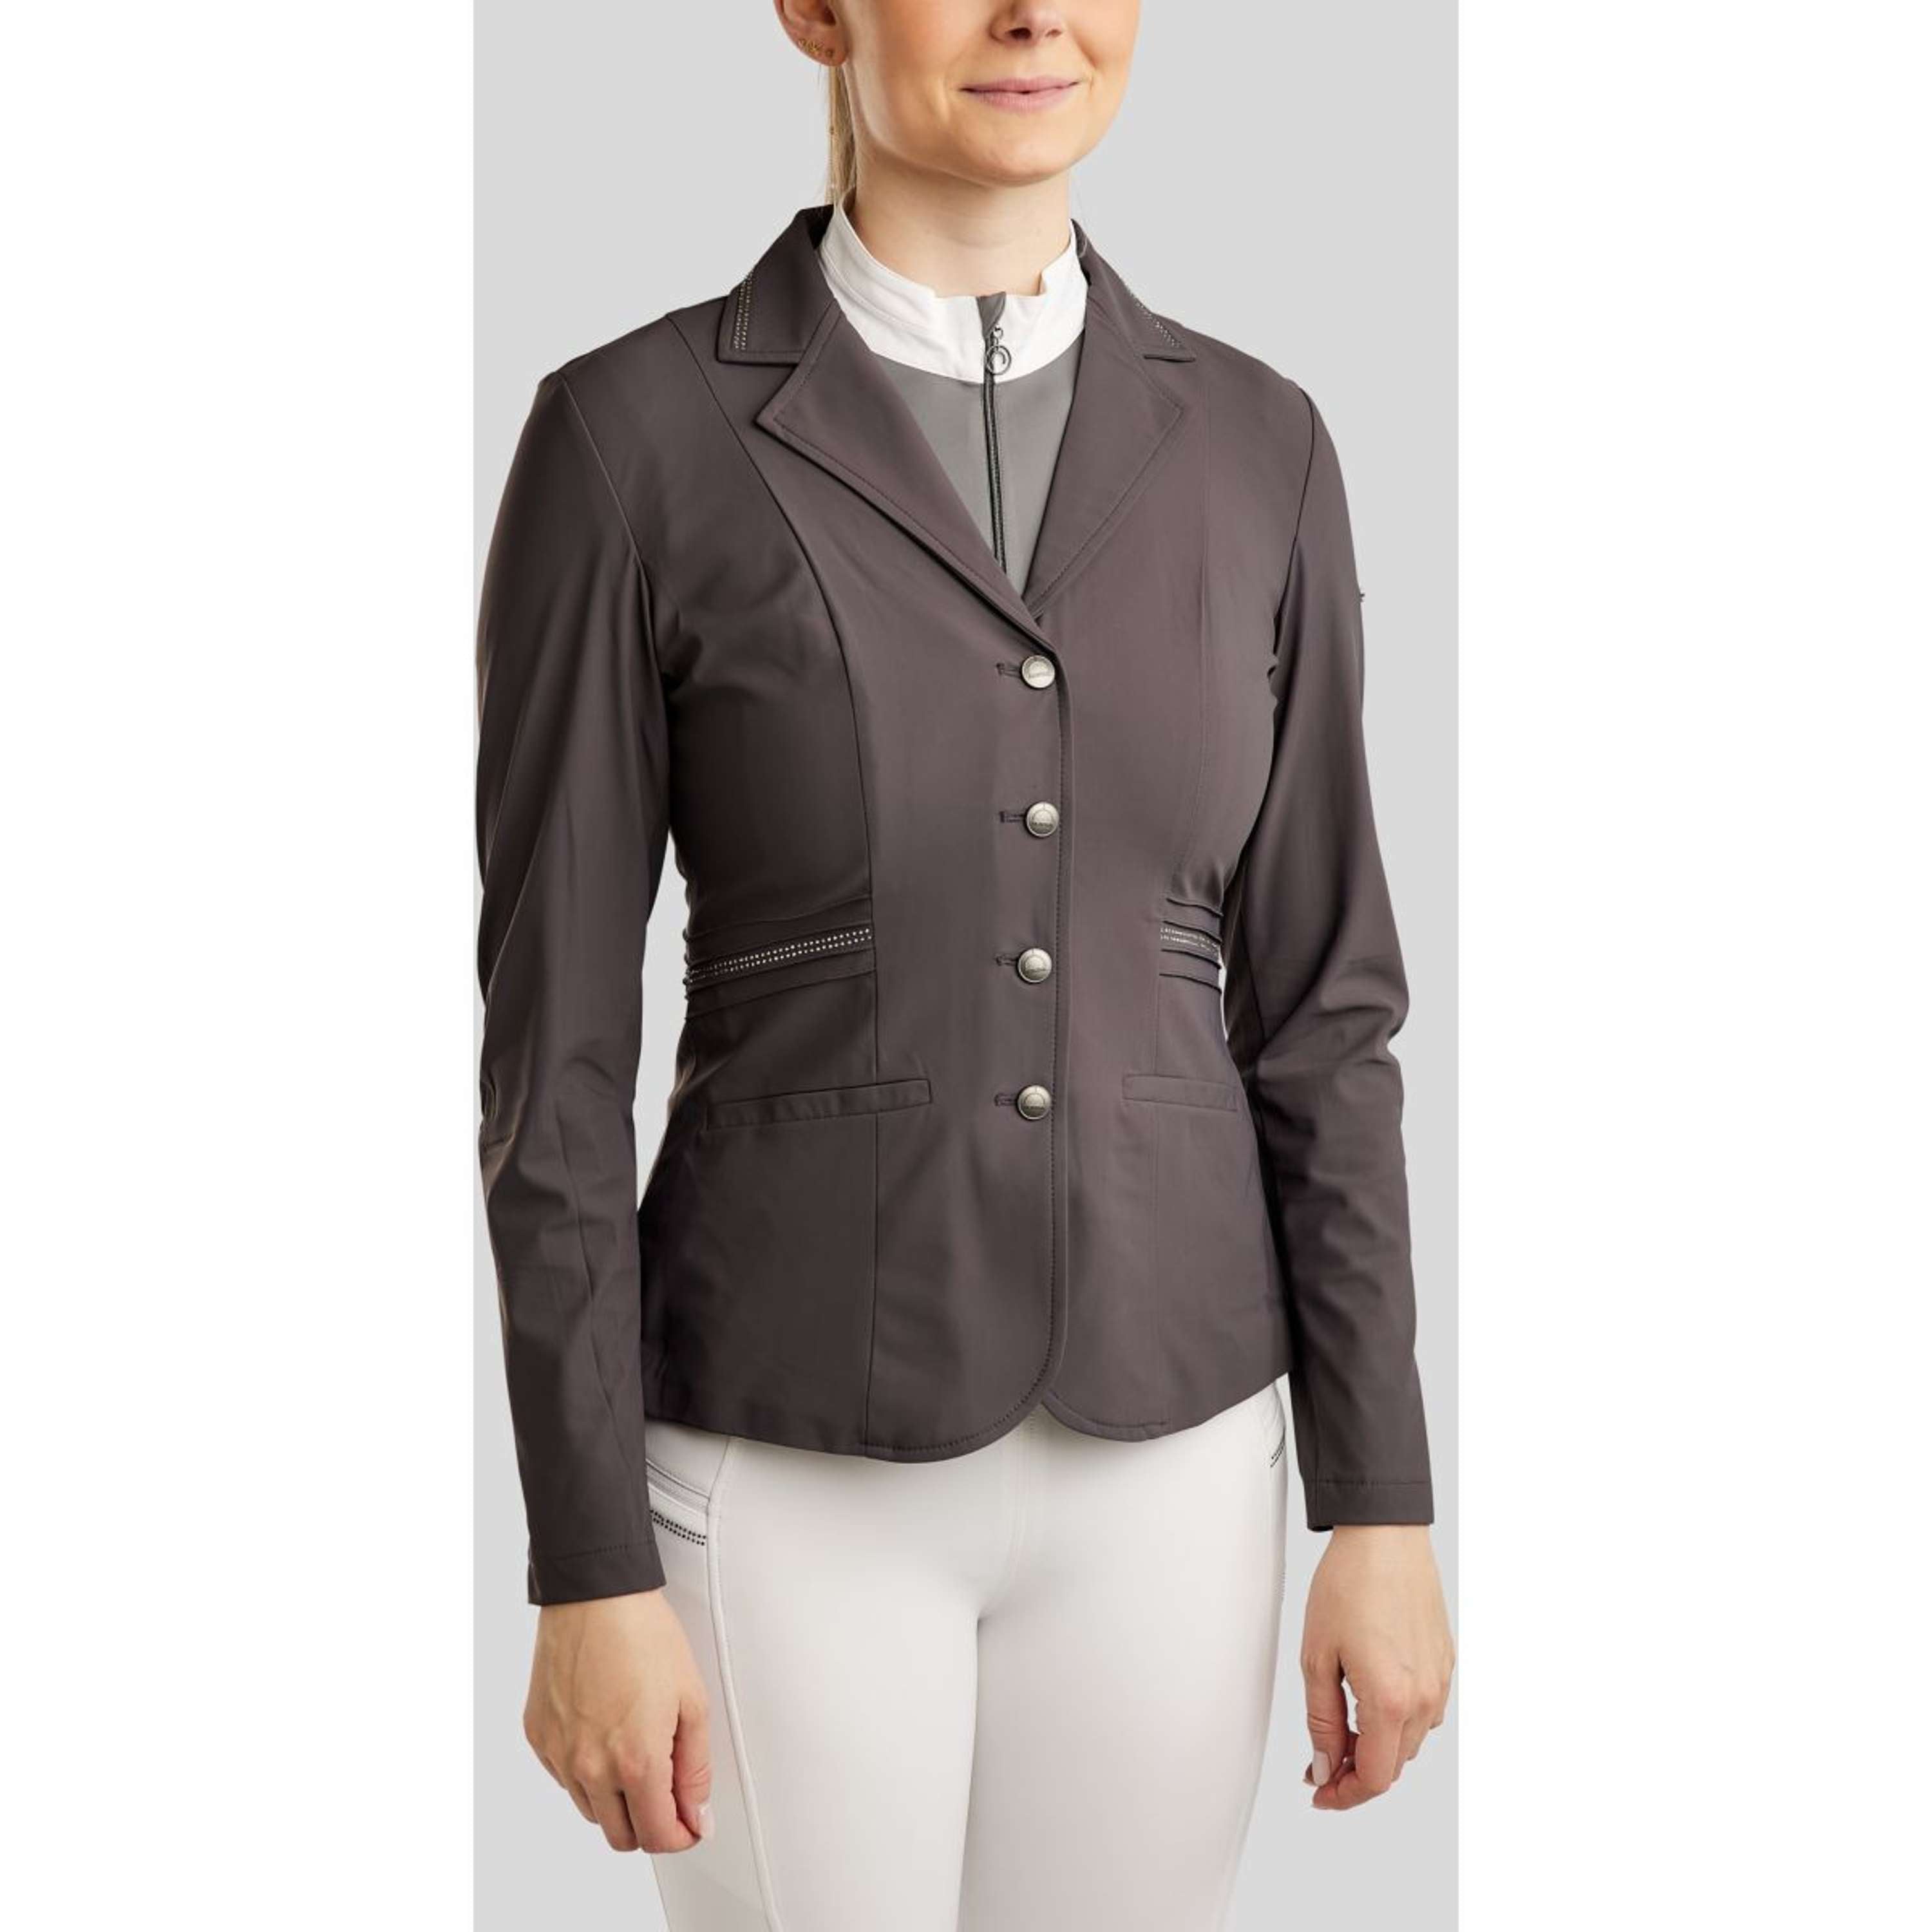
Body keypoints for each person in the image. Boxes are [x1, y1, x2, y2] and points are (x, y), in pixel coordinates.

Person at [475, 2, 1455, 1924]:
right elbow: (552, 1068)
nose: (1033, 14)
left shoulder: (1263, 444)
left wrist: (1384, 1499)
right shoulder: (630, 439)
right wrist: (586, 1565)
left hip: (1180, 1450)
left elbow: (1328, 1012)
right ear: (816, 12)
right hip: (784, 1452)